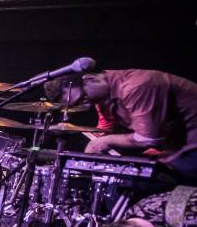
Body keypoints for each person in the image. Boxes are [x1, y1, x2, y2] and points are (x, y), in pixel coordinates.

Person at [45, 67, 197, 184]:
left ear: (90, 78)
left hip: (192, 147)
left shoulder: (137, 87)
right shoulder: (101, 98)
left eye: (83, 97)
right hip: (176, 147)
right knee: (113, 182)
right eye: (78, 104)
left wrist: (106, 141)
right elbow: (103, 133)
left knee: (136, 184)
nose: (87, 103)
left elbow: (148, 139)